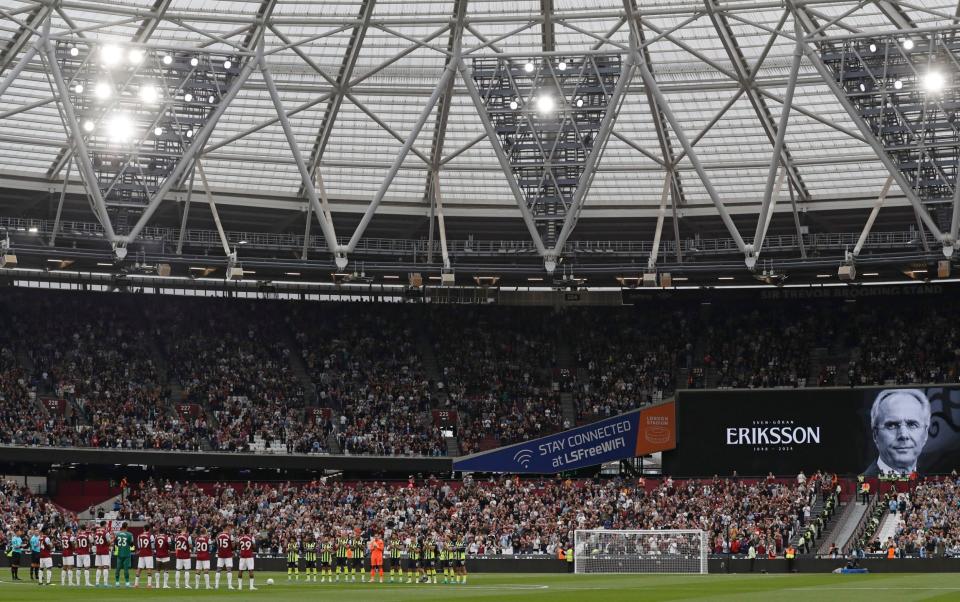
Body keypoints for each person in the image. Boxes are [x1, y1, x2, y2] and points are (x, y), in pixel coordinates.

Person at [863, 389, 931, 476]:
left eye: (912, 425)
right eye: (892, 425)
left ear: (925, 434)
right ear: (875, 435)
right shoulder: (858, 486)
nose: (903, 435)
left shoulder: (931, 484)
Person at [113, 522, 135, 588]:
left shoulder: (118, 534)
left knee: (118, 568)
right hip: (126, 553)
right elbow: (131, 544)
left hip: (120, 553)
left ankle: (117, 582)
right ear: (127, 527)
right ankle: (127, 583)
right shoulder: (129, 534)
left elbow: (115, 543)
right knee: (126, 569)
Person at [93, 520, 112, 587]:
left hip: (98, 550)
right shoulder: (106, 532)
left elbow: (94, 542)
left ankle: (97, 583)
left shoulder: (96, 532)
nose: (106, 525)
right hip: (104, 551)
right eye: (106, 524)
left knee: (99, 567)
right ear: (104, 525)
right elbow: (109, 542)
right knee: (106, 566)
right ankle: (105, 583)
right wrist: (111, 541)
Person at [134, 523, 154, 588]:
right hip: (148, 554)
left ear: (144, 529)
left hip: (141, 554)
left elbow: (139, 546)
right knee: (149, 568)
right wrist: (153, 551)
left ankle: (136, 584)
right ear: (149, 529)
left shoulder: (139, 536)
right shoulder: (151, 536)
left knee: (139, 568)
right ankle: (149, 584)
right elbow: (152, 546)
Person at [214, 525, 234, 589]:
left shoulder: (218, 535)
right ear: (226, 528)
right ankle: (229, 585)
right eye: (229, 527)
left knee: (218, 569)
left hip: (220, 554)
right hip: (228, 554)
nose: (230, 528)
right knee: (229, 569)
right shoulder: (230, 535)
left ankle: (216, 585)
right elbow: (233, 546)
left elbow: (217, 544)